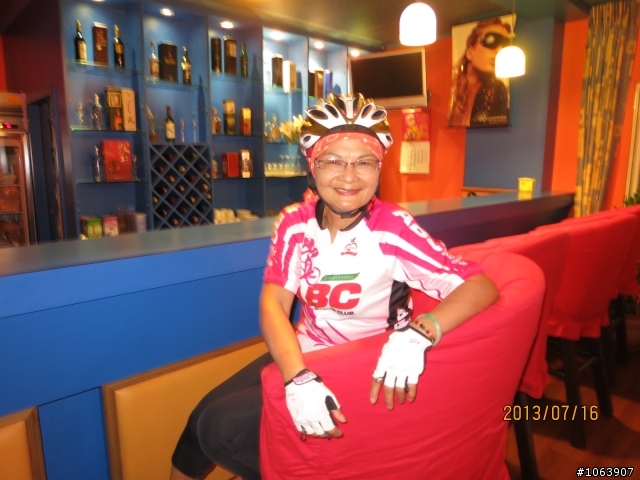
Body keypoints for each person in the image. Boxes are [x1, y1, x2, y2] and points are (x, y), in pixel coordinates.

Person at [169, 93, 499, 480]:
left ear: (379, 169)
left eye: (364, 162)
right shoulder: (294, 222)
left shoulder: (393, 228)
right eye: (334, 161)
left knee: (220, 429)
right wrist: (297, 375)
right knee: (199, 421)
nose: (349, 176)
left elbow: (480, 285)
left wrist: (419, 333)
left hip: (363, 363)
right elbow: (274, 304)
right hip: (305, 353)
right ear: (313, 165)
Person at [448, 18, 512, 127]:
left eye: (505, 46)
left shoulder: (497, 89)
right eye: (492, 41)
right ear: (470, 52)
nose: (499, 51)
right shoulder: (454, 94)